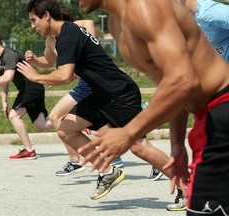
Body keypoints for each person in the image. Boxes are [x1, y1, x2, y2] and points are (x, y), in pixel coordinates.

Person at [77, 0, 229, 215]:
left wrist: (128, 133)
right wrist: (177, 147)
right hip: (210, 116)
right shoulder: (116, 24)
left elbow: (183, 80)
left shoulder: (145, 7)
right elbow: (172, 86)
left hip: (223, 110)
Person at [18, 0, 175, 201]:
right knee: (66, 128)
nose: (33, 26)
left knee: (139, 147)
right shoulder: (64, 34)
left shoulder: (68, 34)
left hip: (119, 94)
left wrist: (36, 77)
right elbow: (63, 70)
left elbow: (65, 75)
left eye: (34, 20)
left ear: (46, 15)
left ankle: (186, 186)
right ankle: (109, 171)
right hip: (99, 94)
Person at [25, 12, 124, 176]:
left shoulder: (71, 29)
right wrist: (35, 60)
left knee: (57, 117)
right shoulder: (50, 40)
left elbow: (89, 22)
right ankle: (113, 154)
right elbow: (49, 62)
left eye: (35, 21)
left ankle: (76, 160)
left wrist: (91, 44)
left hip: (89, 82)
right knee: (99, 126)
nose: (34, 26)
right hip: (84, 82)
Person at [0, 29, 52, 160]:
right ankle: (74, 122)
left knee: (14, 116)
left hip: (32, 86)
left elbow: (8, 77)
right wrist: (4, 102)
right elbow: (4, 82)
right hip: (29, 88)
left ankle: (29, 150)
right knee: (41, 124)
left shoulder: (9, 55)